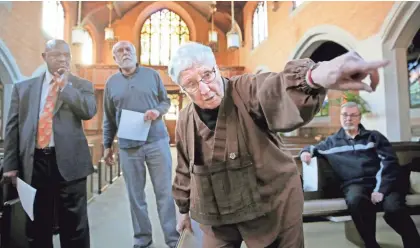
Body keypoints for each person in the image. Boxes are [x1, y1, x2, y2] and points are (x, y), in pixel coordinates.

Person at [169, 41, 390, 248]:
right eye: (191, 84)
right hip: (215, 212)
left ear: (217, 68)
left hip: (272, 205)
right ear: (183, 90)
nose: (205, 89)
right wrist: (182, 208)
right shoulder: (186, 119)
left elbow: (273, 89)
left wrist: (313, 77)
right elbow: (184, 167)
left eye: (207, 75)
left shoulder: (245, 90)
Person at [2, 39, 96, 248]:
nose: (62, 59)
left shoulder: (82, 85)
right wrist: (10, 165)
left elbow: (88, 111)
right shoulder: (23, 89)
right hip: (34, 164)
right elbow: (12, 127)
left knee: (74, 227)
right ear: (44, 57)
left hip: (69, 165)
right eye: (56, 55)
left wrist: (65, 88)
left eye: (66, 55)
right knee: (37, 225)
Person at [300, 102, 420, 248]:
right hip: (355, 184)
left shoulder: (374, 137)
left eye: (352, 115)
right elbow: (312, 148)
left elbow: (390, 163)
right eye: (345, 115)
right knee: (355, 200)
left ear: (359, 118)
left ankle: (414, 243)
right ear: (340, 117)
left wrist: (380, 190)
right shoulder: (331, 142)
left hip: (385, 182)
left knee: (393, 209)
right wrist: (305, 152)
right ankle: (370, 244)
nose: (348, 119)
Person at [103, 40, 179, 248]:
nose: (125, 52)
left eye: (129, 49)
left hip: (157, 141)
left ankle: (173, 240)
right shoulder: (111, 83)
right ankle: (143, 240)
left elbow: (166, 101)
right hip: (129, 146)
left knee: (164, 193)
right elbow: (109, 117)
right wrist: (107, 145)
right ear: (115, 58)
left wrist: (157, 111)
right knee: (136, 196)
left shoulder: (152, 75)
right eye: (120, 50)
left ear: (136, 54)